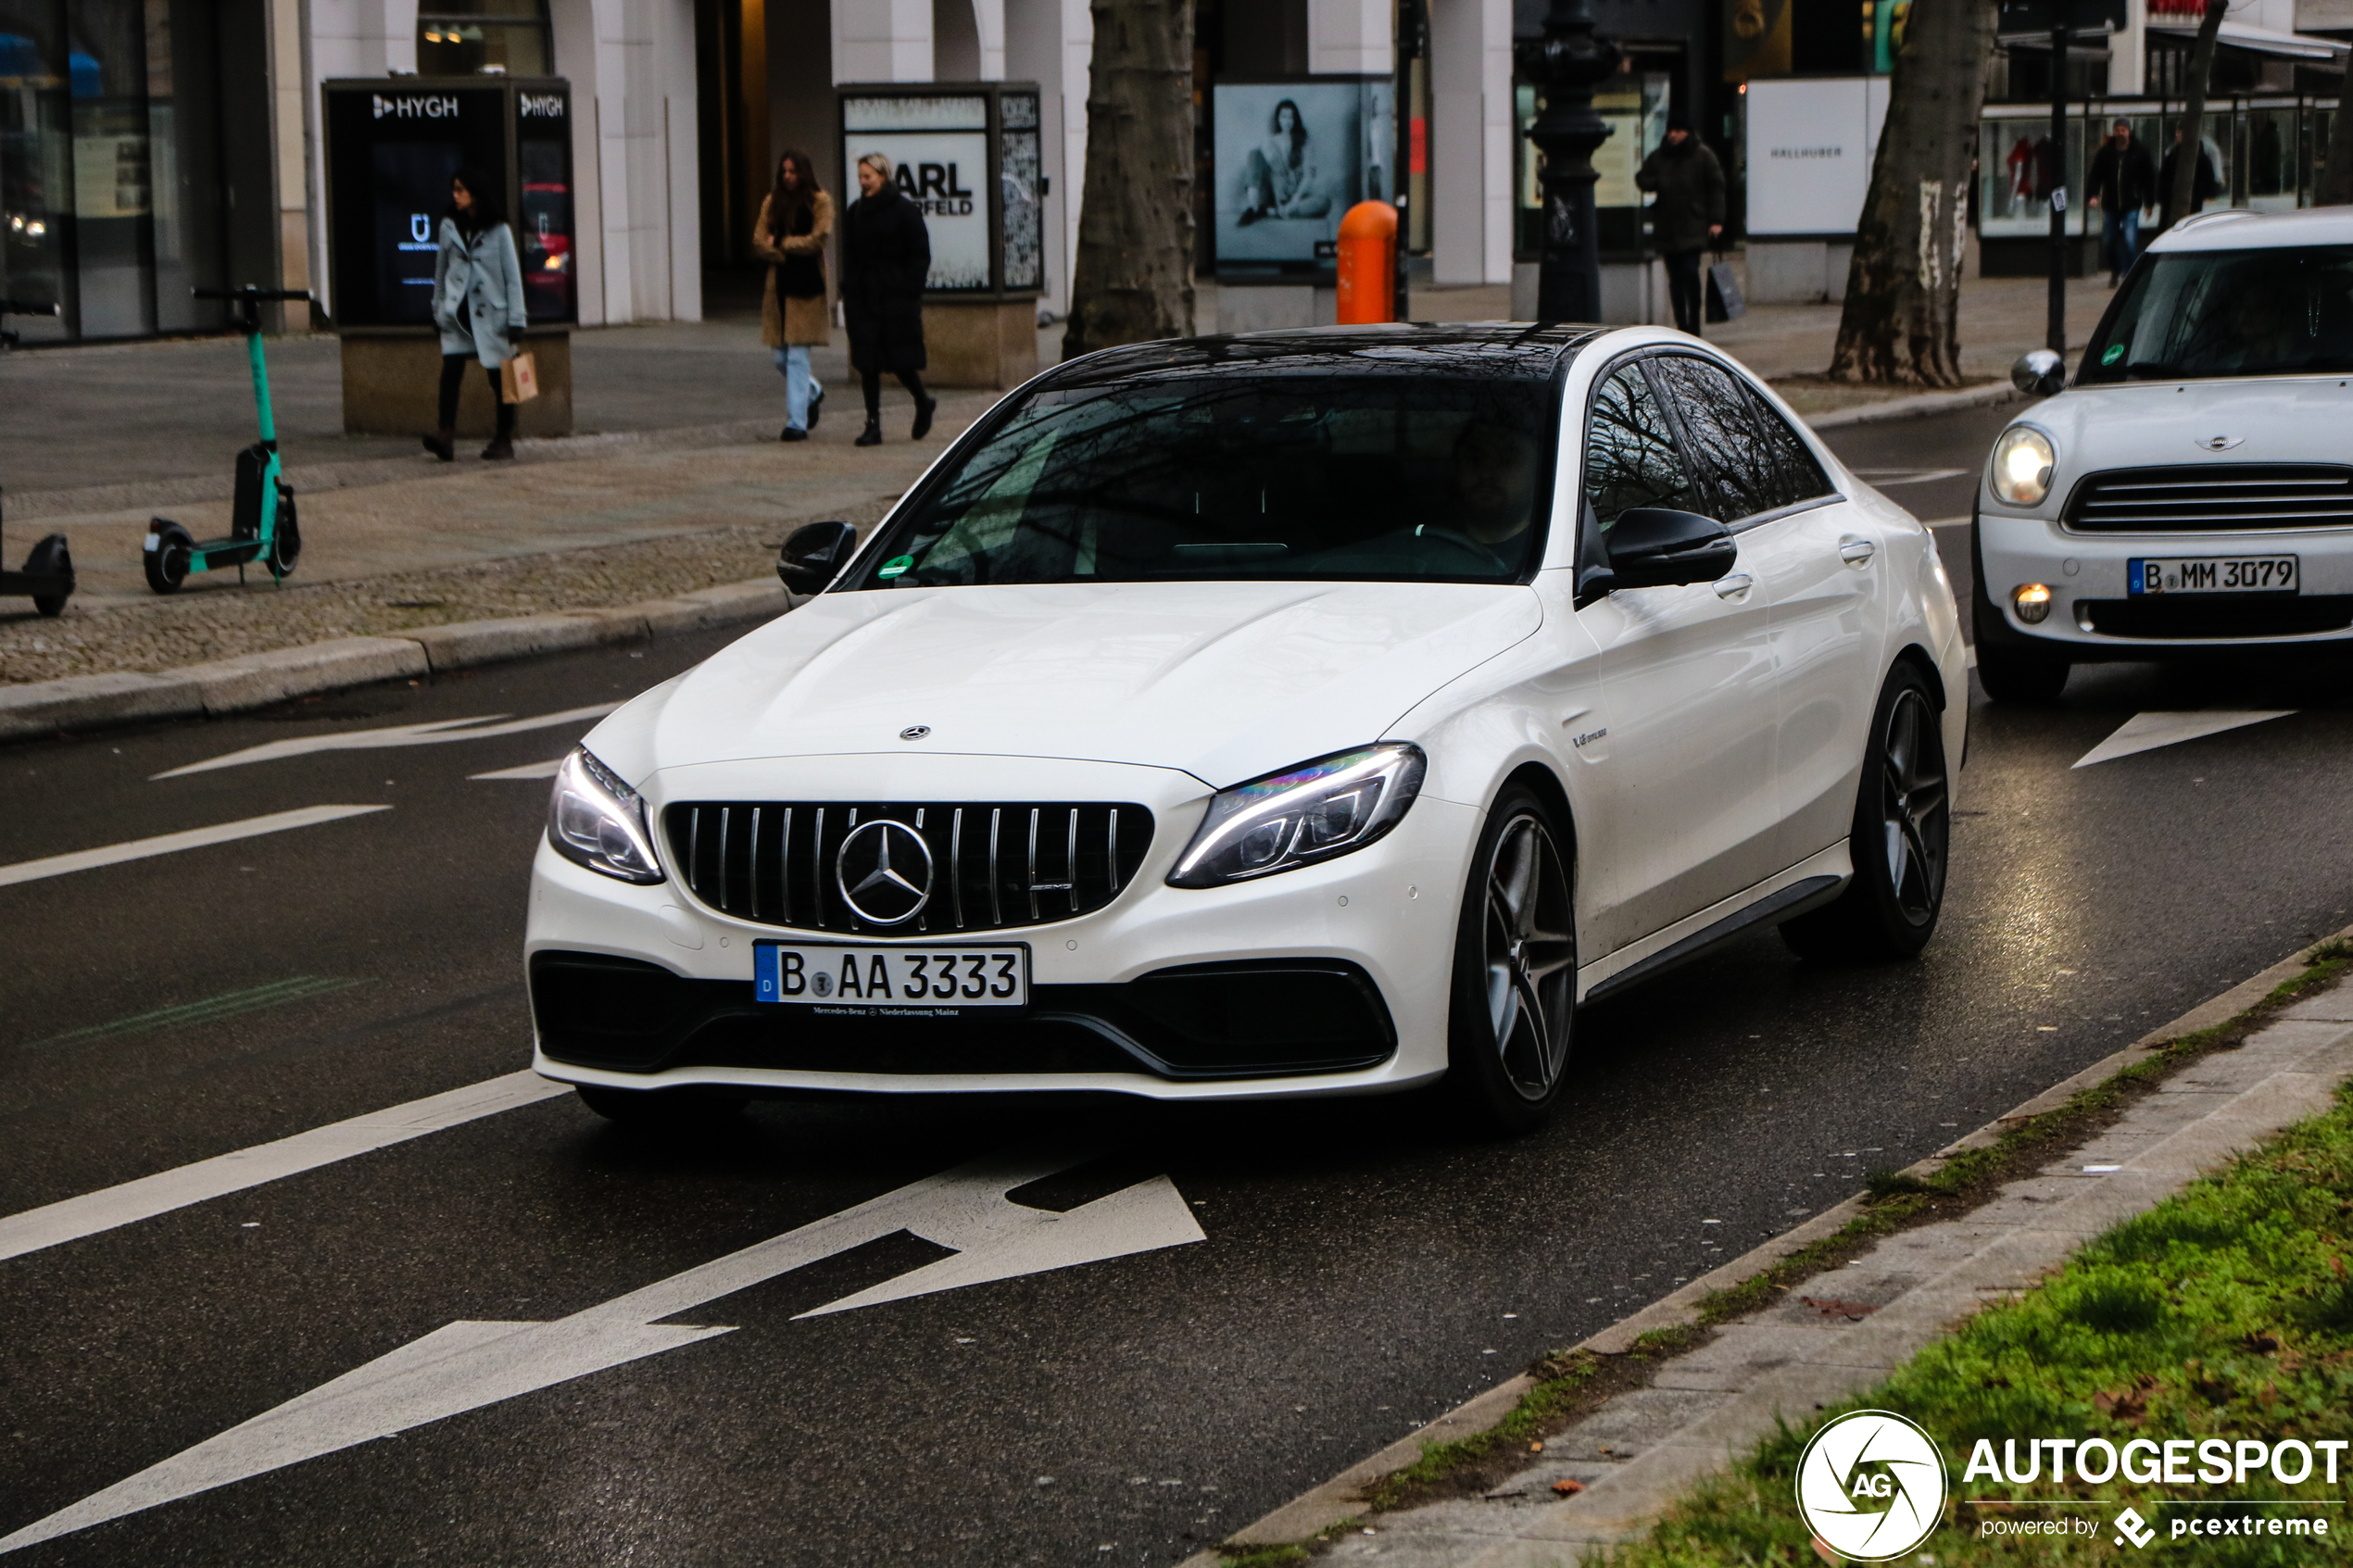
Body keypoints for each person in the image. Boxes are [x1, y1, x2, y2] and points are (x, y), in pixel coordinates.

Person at [425, 168, 527, 461]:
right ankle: (445, 434)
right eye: (453, 190)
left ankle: (504, 438)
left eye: (461, 189)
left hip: (493, 315)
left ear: (475, 192)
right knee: (451, 371)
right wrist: (437, 311)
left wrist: (517, 319)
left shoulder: (499, 229)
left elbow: (512, 277)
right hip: (458, 314)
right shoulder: (448, 226)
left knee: (501, 379)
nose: (455, 195)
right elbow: (441, 272)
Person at [839, 152, 937, 447]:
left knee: (899, 360)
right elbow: (850, 253)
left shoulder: (904, 210)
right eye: (860, 177)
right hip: (865, 295)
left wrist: (909, 287)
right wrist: (850, 287)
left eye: (868, 176)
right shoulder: (855, 210)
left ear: (883, 176)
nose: (863, 182)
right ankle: (873, 424)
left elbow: (920, 252)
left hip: (895, 296)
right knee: (867, 361)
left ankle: (923, 401)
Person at [752, 149, 832, 443]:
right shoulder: (773, 201)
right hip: (780, 284)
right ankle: (812, 392)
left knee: (798, 355)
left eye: (793, 171)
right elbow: (759, 241)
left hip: (807, 283)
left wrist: (783, 242)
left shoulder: (820, 200)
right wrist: (780, 250)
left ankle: (796, 423)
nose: (788, 176)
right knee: (780, 356)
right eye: (784, 171)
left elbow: (817, 240)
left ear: (804, 172)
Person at [1635, 119, 1726, 337]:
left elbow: (1716, 187)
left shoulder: (1702, 155)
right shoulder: (1660, 156)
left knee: (1690, 273)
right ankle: (1682, 324)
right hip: (1667, 226)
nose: (1673, 135)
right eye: (1670, 131)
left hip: (1693, 225)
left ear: (1687, 132)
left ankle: (1694, 322)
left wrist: (1716, 221)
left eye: (1678, 131)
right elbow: (1642, 178)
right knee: (1675, 278)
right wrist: (1655, 182)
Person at [1236, 99, 1331, 225]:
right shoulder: (1270, 142)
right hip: (1276, 194)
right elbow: (1258, 166)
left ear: (1296, 120)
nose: (1287, 121)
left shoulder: (1305, 143)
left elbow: (1309, 175)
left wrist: (1296, 198)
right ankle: (1253, 207)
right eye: (1283, 117)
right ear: (1278, 118)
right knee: (1254, 154)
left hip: (1297, 195)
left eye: (1291, 117)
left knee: (1325, 202)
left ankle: (1277, 212)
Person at [2086, 119, 2155, 287]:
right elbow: (2096, 175)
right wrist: (2093, 194)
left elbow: (2149, 178)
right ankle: (2116, 270)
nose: (2120, 133)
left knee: (2129, 240)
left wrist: (2149, 202)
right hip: (2110, 204)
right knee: (2108, 240)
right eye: (2117, 130)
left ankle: (2130, 273)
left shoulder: (2140, 152)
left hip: (2132, 203)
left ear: (2129, 132)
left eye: (2123, 130)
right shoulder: (2105, 153)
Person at [2158, 126, 2222, 232]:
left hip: (2191, 200)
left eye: (2181, 134)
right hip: (2175, 200)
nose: (2179, 137)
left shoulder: (2199, 156)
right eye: (2178, 134)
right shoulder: (2172, 155)